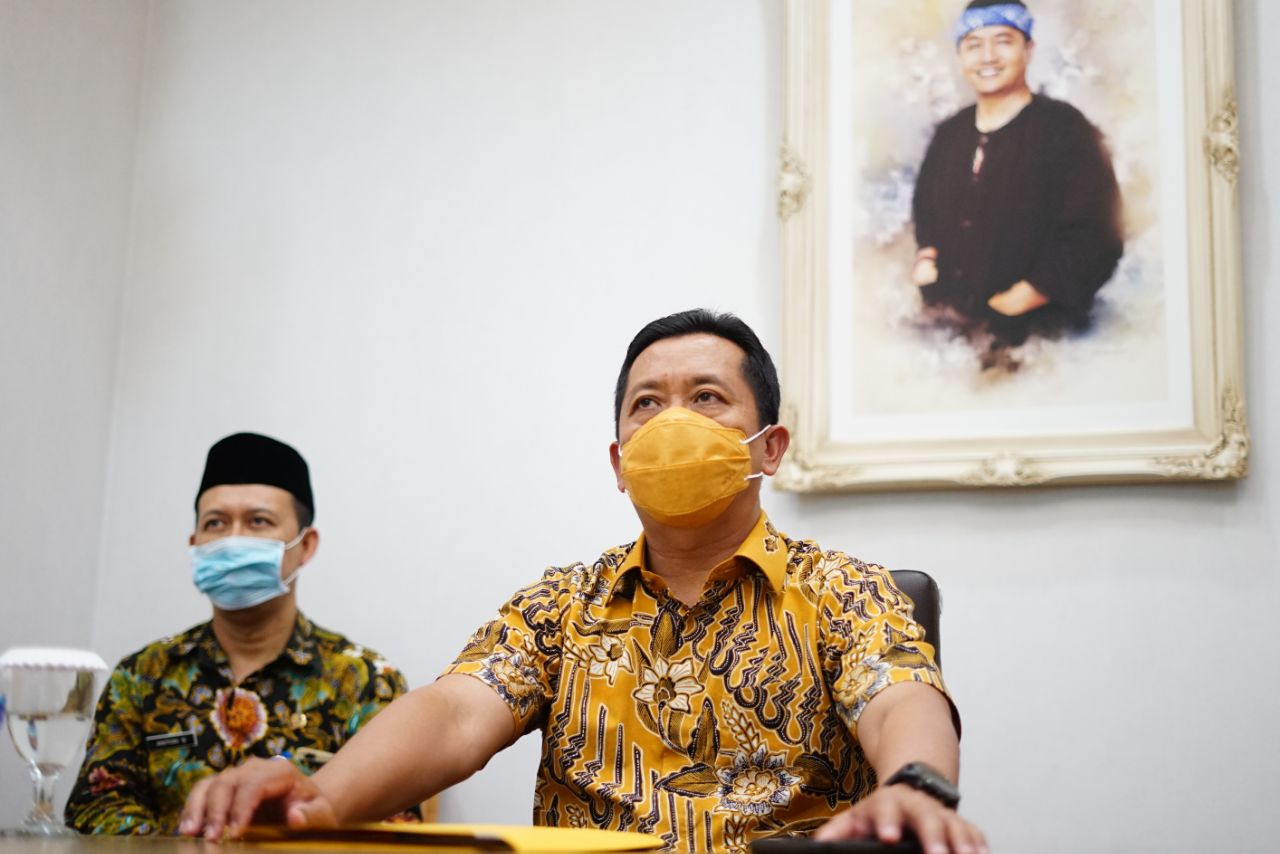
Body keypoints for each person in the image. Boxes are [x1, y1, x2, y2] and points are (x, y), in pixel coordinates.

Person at [179, 312, 986, 854]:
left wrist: (915, 785)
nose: (672, 422)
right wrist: (320, 796)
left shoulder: (845, 590)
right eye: (647, 404)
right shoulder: (561, 606)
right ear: (619, 462)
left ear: (769, 448)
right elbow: (455, 713)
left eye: (707, 398)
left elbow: (899, 698)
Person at [65, 432, 414, 835]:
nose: (233, 539)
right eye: (215, 523)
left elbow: (395, 823)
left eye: (258, 521)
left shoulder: (366, 681)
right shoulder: (141, 675)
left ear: (306, 545)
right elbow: (95, 808)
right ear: (195, 544)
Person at [911, 0, 1124, 357]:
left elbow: (1098, 234)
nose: (988, 57)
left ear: (1029, 50)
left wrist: (1022, 298)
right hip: (950, 333)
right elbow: (926, 208)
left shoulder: (1066, 129)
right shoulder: (949, 134)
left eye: (1003, 41)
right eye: (974, 45)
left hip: (1039, 340)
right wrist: (927, 259)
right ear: (960, 57)